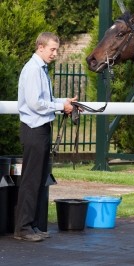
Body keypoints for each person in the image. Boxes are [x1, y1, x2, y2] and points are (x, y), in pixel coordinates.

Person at [15, 32, 77, 242]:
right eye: (52, 49)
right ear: (40, 47)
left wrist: (64, 101)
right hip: (34, 130)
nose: (55, 53)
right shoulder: (33, 70)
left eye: (56, 49)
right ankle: (23, 228)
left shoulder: (40, 69)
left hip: (40, 129)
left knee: (39, 179)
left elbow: (44, 99)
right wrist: (61, 106)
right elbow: (35, 104)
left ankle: (31, 225)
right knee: (31, 180)